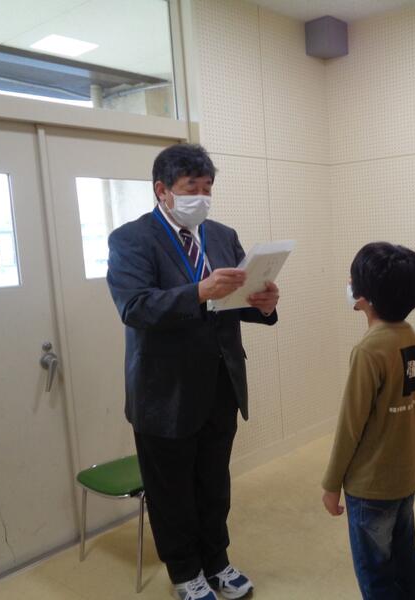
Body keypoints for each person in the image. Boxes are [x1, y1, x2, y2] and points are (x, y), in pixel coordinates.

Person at [106, 144, 279, 600]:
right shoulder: (131, 239)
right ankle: (185, 572)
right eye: (190, 188)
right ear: (162, 190)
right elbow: (135, 307)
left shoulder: (221, 235)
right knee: (171, 491)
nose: (201, 198)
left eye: (207, 188)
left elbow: (233, 302)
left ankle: (217, 561)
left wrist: (263, 304)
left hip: (221, 383)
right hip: (164, 392)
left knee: (214, 483)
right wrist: (199, 291)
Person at [321, 242, 415, 600]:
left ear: (364, 297)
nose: (348, 282)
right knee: (405, 559)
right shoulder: (409, 335)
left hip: (371, 486)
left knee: (376, 575)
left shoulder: (369, 350)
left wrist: (331, 483)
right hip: (405, 476)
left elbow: (349, 427)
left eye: (351, 277)